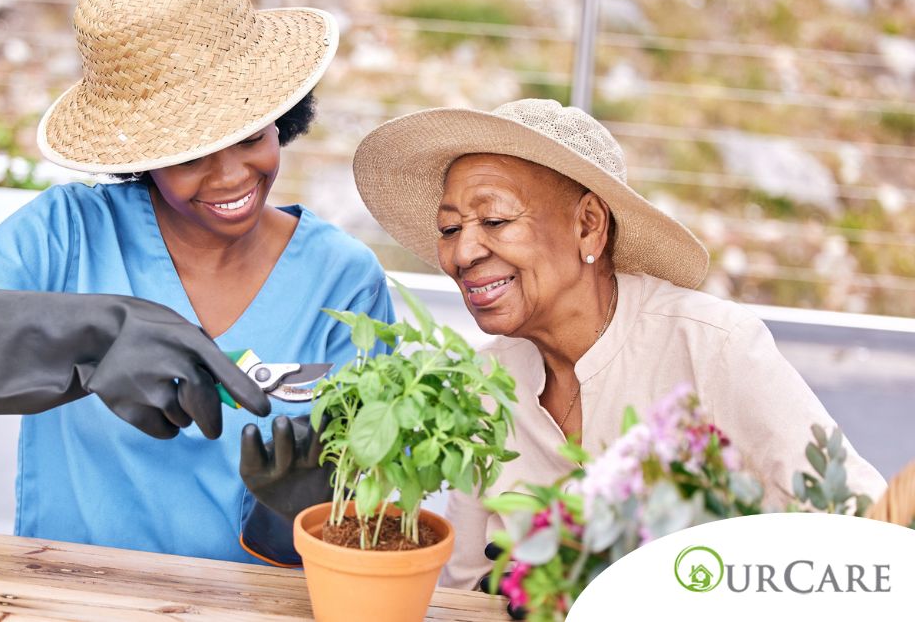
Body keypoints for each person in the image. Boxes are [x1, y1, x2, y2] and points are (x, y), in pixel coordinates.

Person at [0, 0, 392, 567]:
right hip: (69, 594)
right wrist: (93, 336)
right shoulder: (70, 230)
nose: (231, 176)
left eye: (251, 137)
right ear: (145, 153)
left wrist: (294, 514)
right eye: (192, 154)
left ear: (285, 119)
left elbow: (367, 478)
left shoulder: (342, 279)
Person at [351, 99, 887, 596]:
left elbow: (867, 534)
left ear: (588, 226)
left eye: (495, 220)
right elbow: (467, 586)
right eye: (450, 228)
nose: (462, 252)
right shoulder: (482, 388)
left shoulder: (712, 346)